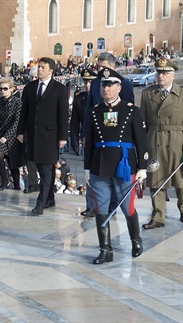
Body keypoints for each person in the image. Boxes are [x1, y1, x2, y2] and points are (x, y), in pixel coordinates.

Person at [84, 67, 148, 264]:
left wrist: (142, 167)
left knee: (127, 208)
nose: (106, 89)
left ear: (119, 87)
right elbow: (89, 142)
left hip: (124, 165)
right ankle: (105, 249)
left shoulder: (131, 111)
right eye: (103, 85)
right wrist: (87, 168)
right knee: (101, 208)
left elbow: (141, 142)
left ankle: (135, 241)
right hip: (100, 166)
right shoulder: (95, 112)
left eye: (110, 85)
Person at [81, 52, 135, 218]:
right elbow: (89, 110)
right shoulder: (97, 83)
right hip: (96, 134)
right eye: (99, 67)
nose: (100, 70)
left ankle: (111, 206)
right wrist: (85, 134)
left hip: (114, 136)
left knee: (112, 175)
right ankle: (92, 206)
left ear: (112, 67)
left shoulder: (123, 84)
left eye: (104, 67)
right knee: (93, 171)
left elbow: (128, 111)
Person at [17, 57, 69, 215]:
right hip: (33, 135)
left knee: (46, 169)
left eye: (43, 68)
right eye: (39, 67)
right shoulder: (30, 88)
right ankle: (50, 198)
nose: (39, 70)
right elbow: (24, 112)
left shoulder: (59, 89)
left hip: (50, 136)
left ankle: (41, 203)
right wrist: (20, 131)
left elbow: (63, 115)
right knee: (41, 166)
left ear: (51, 71)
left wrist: (63, 137)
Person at [140, 58, 183, 229]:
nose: (161, 76)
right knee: (156, 178)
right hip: (154, 139)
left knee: (181, 179)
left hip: (177, 140)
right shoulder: (147, 93)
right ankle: (158, 215)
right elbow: (142, 120)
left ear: (173, 75)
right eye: (159, 72)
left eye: (165, 73)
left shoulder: (181, 94)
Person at [0, 78, 23, 191]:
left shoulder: (18, 102)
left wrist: (7, 137)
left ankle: (17, 185)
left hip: (13, 136)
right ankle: (4, 180)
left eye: (5, 89)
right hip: (0, 133)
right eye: (1, 89)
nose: (2, 91)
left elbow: (17, 122)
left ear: (12, 89)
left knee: (13, 163)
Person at [21, 66, 39, 194]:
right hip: (29, 129)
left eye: (36, 77)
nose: (33, 79)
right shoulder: (28, 89)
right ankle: (33, 183)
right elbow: (23, 112)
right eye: (32, 77)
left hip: (44, 131)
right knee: (29, 156)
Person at [70, 69, 96, 156]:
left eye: (90, 83)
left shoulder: (102, 98)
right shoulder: (79, 98)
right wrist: (74, 141)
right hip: (86, 137)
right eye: (85, 83)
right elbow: (74, 122)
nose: (88, 86)